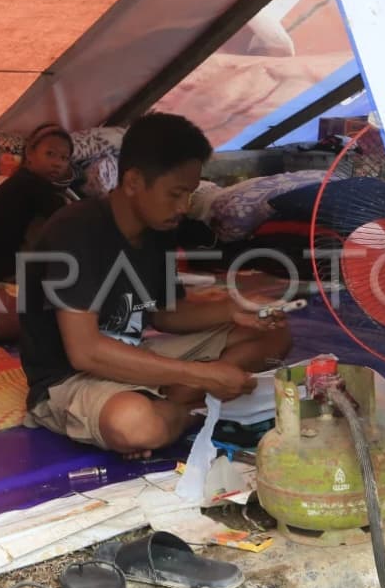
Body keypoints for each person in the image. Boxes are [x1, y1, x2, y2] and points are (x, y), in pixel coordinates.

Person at [19, 112, 293, 457]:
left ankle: (172, 405)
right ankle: (193, 410)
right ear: (133, 181)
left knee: (273, 337)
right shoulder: (75, 231)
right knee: (135, 423)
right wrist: (200, 375)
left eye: (189, 195)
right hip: (70, 378)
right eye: (175, 194)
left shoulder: (158, 229)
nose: (183, 207)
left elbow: (164, 314)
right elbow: (85, 351)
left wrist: (231, 309)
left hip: (134, 356)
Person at [0, 123, 77, 282]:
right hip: (3, 280)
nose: (57, 163)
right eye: (50, 154)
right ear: (30, 153)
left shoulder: (22, 180)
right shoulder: (35, 188)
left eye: (64, 158)